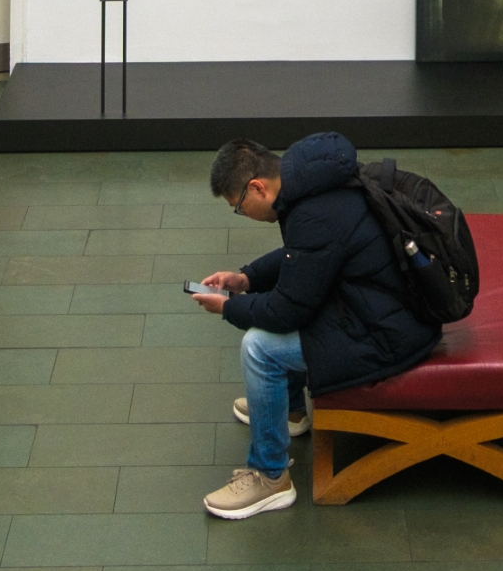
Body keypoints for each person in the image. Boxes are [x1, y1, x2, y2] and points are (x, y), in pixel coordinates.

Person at [188, 130, 439, 519]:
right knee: (284, 313)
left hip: (385, 332)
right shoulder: (313, 182)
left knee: (259, 347)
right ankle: (288, 413)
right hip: (382, 306)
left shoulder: (312, 213)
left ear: (257, 187)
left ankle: (270, 477)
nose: (243, 214)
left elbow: (287, 311)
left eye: (238, 206)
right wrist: (247, 278)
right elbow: (302, 254)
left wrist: (229, 307)